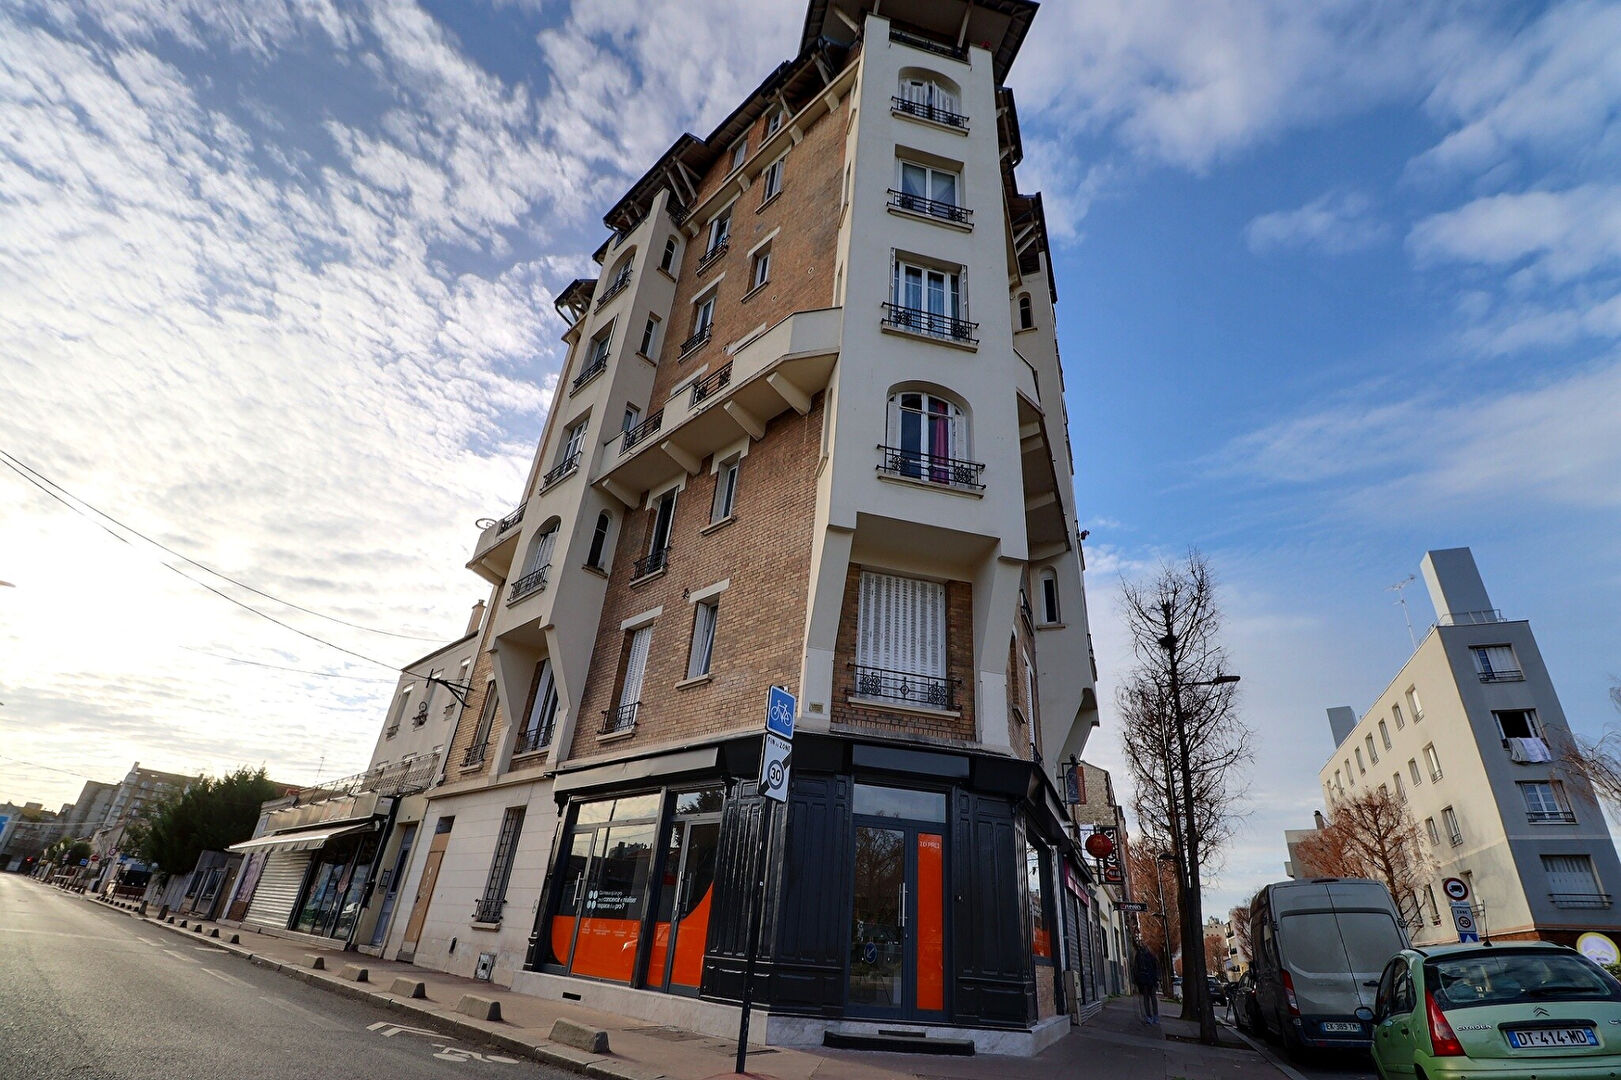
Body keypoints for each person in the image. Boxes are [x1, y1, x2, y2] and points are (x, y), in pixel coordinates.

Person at [1133, 942, 1161, 1023]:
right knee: (1152, 997)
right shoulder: (1151, 955)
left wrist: (1137, 979)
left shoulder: (1139, 955)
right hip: (1150, 979)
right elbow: (1156, 967)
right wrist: (1157, 978)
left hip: (1144, 979)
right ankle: (1154, 1016)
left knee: (1147, 998)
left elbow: (1136, 968)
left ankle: (1149, 1016)